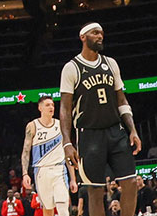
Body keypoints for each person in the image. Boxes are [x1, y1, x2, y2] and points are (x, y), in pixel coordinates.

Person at [59, 23, 140, 216]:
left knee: (130, 182)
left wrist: (133, 130)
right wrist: (67, 142)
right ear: (83, 37)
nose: (100, 36)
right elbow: (65, 108)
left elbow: (121, 99)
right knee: (95, 191)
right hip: (89, 135)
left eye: (102, 33)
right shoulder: (71, 68)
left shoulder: (111, 63)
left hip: (115, 131)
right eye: (95, 33)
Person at [21, 96, 77, 216]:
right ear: (40, 108)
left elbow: (68, 152)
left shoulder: (61, 125)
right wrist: (25, 173)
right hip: (41, 171)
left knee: (63, 206)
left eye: (52, 105)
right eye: (47, 105)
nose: (51, 107)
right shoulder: (32, 126)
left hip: (59, 169)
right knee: (47, 208)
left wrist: (73, 178)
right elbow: (26, 151)